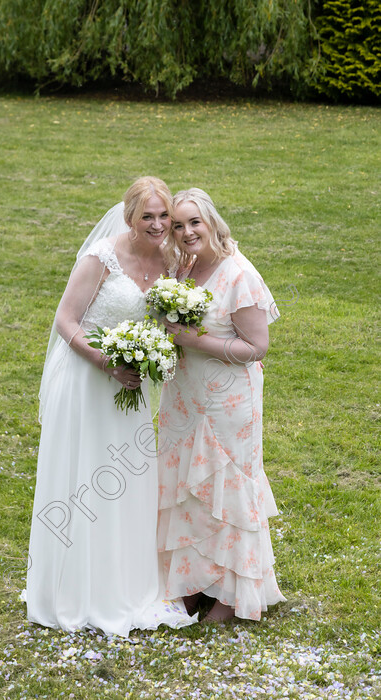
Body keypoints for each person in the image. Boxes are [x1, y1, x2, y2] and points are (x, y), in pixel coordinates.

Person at [26, 177, 195, 636]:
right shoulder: (101, 257)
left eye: (164, 215)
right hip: (86, 380)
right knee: (83, 479)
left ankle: (126, 584)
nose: (159, 225)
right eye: (148, 217)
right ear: (129, 218)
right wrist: (106, 362)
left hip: (132, 386)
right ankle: (74, 589)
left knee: (127, 483)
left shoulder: (171, 260)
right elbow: (66, 320)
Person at [158, 188, 286, 623]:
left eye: (194, 222)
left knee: (228, 490)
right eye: (178, 225)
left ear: (212, 222)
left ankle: (233, 595)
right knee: (185, 487)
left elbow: (257, 346)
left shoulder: (238, 273)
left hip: (228, 400)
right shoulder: (183, 268)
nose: (187, 231)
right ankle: (191, 583)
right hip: (185, 397)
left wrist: (196, 342)